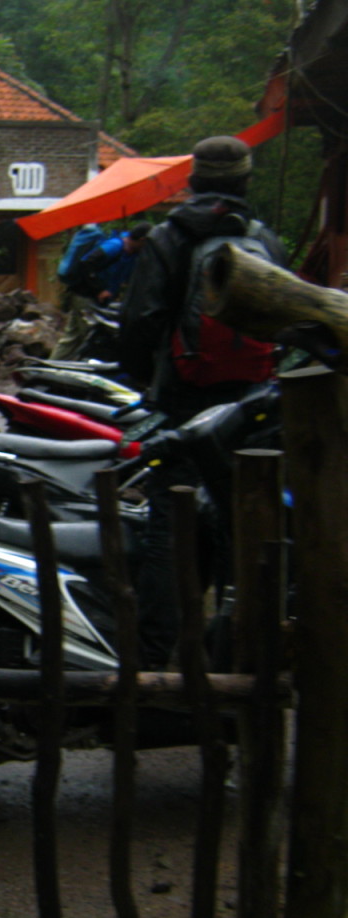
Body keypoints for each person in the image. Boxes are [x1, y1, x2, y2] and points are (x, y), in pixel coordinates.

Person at [116, 136, 285, 669]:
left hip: (186, 401)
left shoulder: (169, 238)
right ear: (245, 181)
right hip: (250, 409)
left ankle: (152, 655)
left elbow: (138, 322)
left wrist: (155, 387)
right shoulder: (264, 240)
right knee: (246, 521)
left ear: (193, 180)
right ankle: (241, 647)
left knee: (171, 523)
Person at [50, 221, 152, 361]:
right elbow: (87, 263)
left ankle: (51, 366)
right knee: (90, 337)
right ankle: (79, 370)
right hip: (86, 296)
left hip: (96, 298)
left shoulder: (131, 255)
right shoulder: (114, 246)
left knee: (72, 337)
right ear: (142, 240)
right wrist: (100, 289)